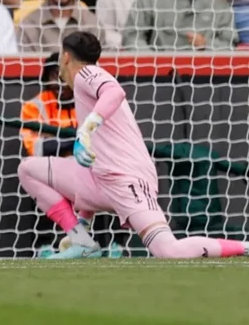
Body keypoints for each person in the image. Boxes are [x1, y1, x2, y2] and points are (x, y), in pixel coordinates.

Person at [17, 31, 249, 259]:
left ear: (65, 57)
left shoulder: (87, 73)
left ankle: (245, 247)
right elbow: (96, 159)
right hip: (99, 181)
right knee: (28, 169)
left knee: (168, 250)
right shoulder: (82, 88)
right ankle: (81, 240)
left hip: (127, 180)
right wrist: (83, 223)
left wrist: (86, 130)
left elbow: (114, 91)